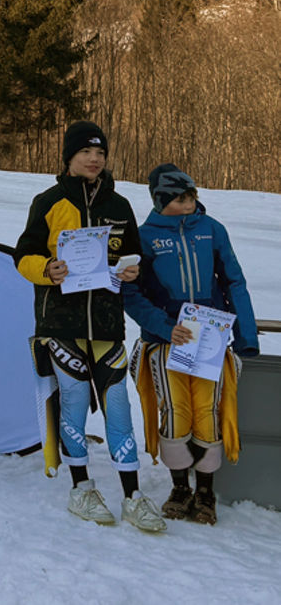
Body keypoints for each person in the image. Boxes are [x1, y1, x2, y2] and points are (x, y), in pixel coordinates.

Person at [12, 120, 165, 532]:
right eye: (85, 152)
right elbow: (23, 255)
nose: (94, 159)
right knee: (75, 403)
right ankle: (81, 487)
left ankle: (133, 496)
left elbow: (133, 255)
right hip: (61, 324)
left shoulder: (119, 205)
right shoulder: (49, 201)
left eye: (100, 153)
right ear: (70, 157)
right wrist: (47, 269)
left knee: (119, 408)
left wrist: (132, 270)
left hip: (107, 325)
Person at [124, 164, 259, 526]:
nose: (189, 203)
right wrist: (165, 328)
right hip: (167, 342)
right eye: (180, 198)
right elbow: (131, 294)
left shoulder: (212, 230)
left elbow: (234, 282)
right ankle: (180, 488)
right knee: (175, 410)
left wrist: (245, 336)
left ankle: (206, 492)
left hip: (210, 340)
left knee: (207, 410)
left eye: (191, 196)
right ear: (161, 200)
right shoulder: (144, 237)